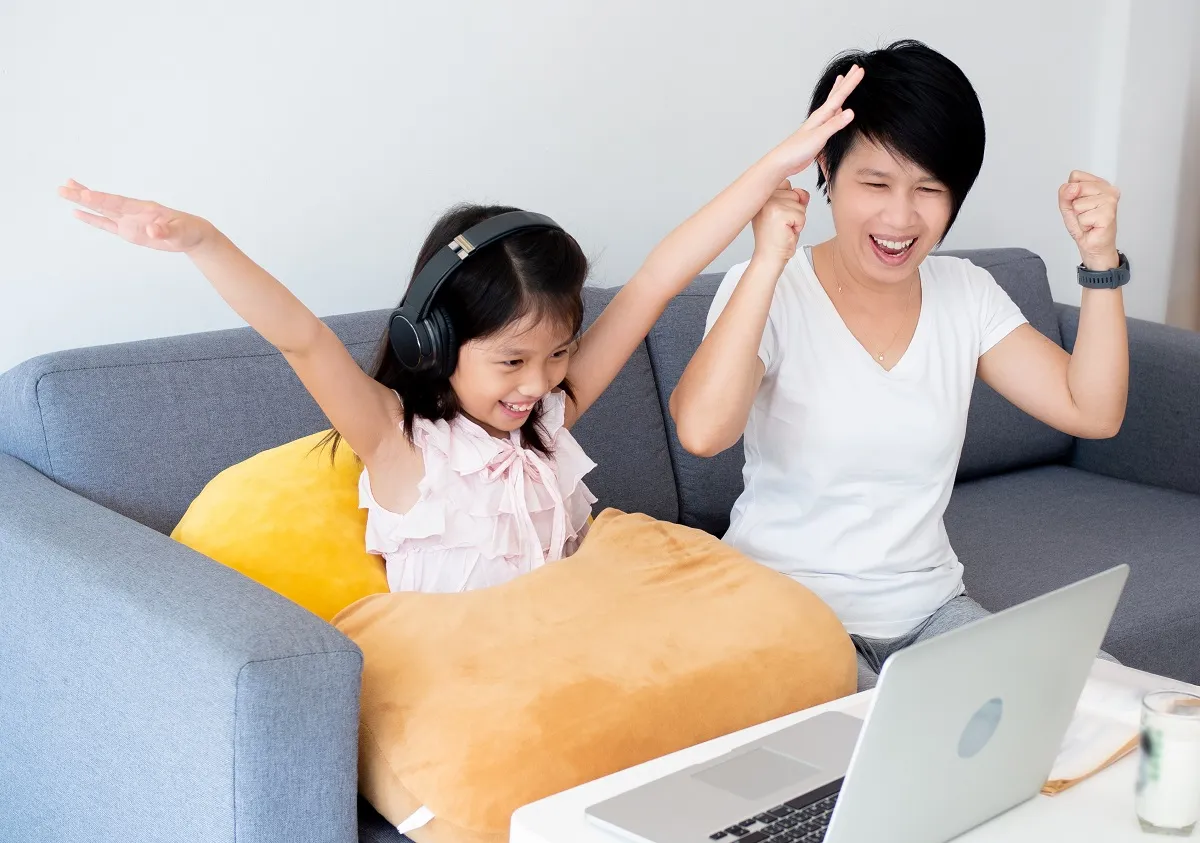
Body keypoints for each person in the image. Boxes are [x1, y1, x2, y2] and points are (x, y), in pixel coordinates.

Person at [56, 70, 864, 595]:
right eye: (511, 360)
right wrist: (201, 241)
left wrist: (775, 166)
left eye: (556, 356)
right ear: (432, 346)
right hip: (470, 682)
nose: (537, 383)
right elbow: (299, 336)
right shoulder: (397, 443)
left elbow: (657, 279)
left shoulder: (550, 420)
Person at [669, 40, 1128, 691]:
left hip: (930, 612)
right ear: (826, 167)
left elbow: (1093, 410)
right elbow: (702, 430)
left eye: (929, 189)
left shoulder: (964, 293)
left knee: (1086, 695)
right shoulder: (769, 284)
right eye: (875, 182)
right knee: (860, 750)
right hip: (789, 615)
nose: (900, 217)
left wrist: (1101, 261)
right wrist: (769, 261)